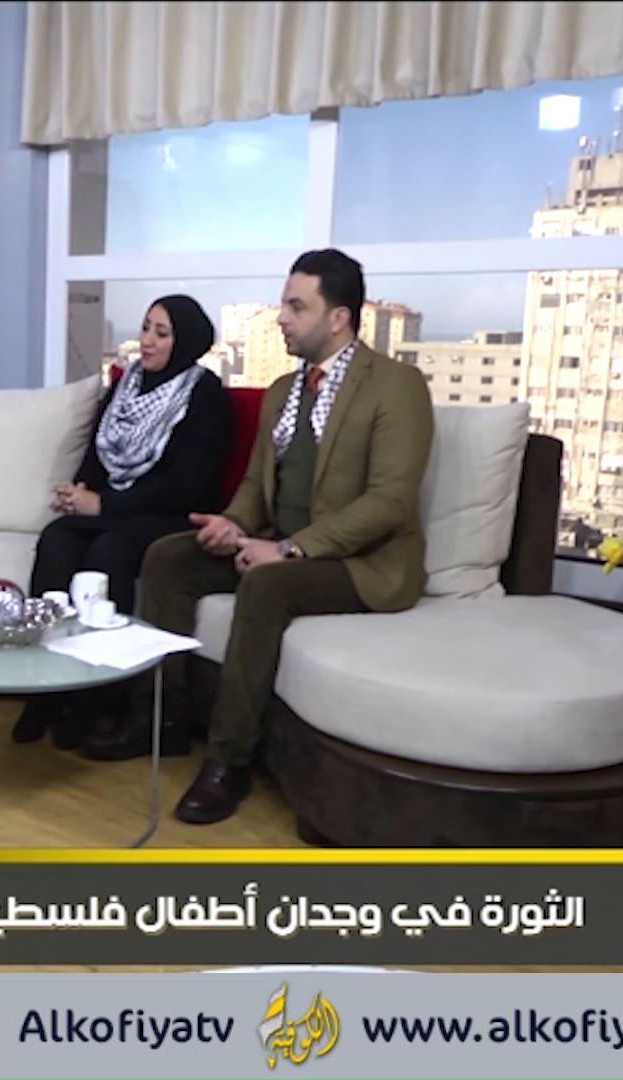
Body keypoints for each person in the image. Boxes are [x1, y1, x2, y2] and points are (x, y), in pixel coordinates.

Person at [82, 249, 434, 825]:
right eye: (283, 304)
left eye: (297, 307)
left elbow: (389, 503)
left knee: (267, 588)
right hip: (278, 543)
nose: (281, 318)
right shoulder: (282, 390)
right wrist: (235, 523)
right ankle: (160, 720)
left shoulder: (397, 386)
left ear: (338, 318)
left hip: (358, 562)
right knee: (168, 558)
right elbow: (254, 484)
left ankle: (229, 761)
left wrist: (290, 550)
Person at [14, 295, 234, 749]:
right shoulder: (127, 384)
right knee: (57, 539)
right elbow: (99, 452)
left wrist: (105, 505)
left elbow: (187, 485)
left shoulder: (205, 395)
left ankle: (94, 697)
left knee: (108, 552)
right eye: (146, 327)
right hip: (117, 507)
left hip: (171, 516)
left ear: (185, 341)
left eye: (161, 333)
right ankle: (45, 687)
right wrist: (79, 492)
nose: (147, 340)